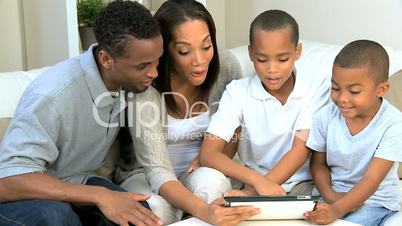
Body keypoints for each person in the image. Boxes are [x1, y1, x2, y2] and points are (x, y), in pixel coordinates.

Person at [0, 1, 164, 226]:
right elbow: (8, 181)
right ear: (106, 59)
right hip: (19, 195)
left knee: (137, 213)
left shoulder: (127, 82)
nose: (153, 72)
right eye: (142, 66)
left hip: (75, 181)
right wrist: (99, 195)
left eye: (157, 61)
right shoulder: (54, 95)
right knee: (57, 218)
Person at [115, 0, 256, 225]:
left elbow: (233, 136)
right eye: (184, 51)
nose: (199, 61)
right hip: (146, 175)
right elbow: (157, 172)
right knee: (156, 210)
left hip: (203, 169)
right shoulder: (145, 84)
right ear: (164, 50)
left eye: (206, 46)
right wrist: (204, 211)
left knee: (213, 185)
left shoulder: (226, 68)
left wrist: (208, 157)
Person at [199, 10, 329, 196]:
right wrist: (258, 184)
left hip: (304, 183)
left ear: (297, 52)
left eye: (282, 59)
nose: (272, 69)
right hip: (254, 182)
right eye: (262, 59)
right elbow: (208, 153)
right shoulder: (237, 92)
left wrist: (254, 193)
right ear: (251, 53)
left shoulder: (316, 87)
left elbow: (301, 150)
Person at [304, 40, 402, 226]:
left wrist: (336, 210)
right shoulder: (325, 116)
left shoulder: (394, 123)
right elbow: (318, 163)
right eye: (335, 88)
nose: (342, 98)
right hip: (332, 197)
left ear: (381, 90)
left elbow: (372, 179)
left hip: (375, 201)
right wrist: (330, 196)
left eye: (354, 91)